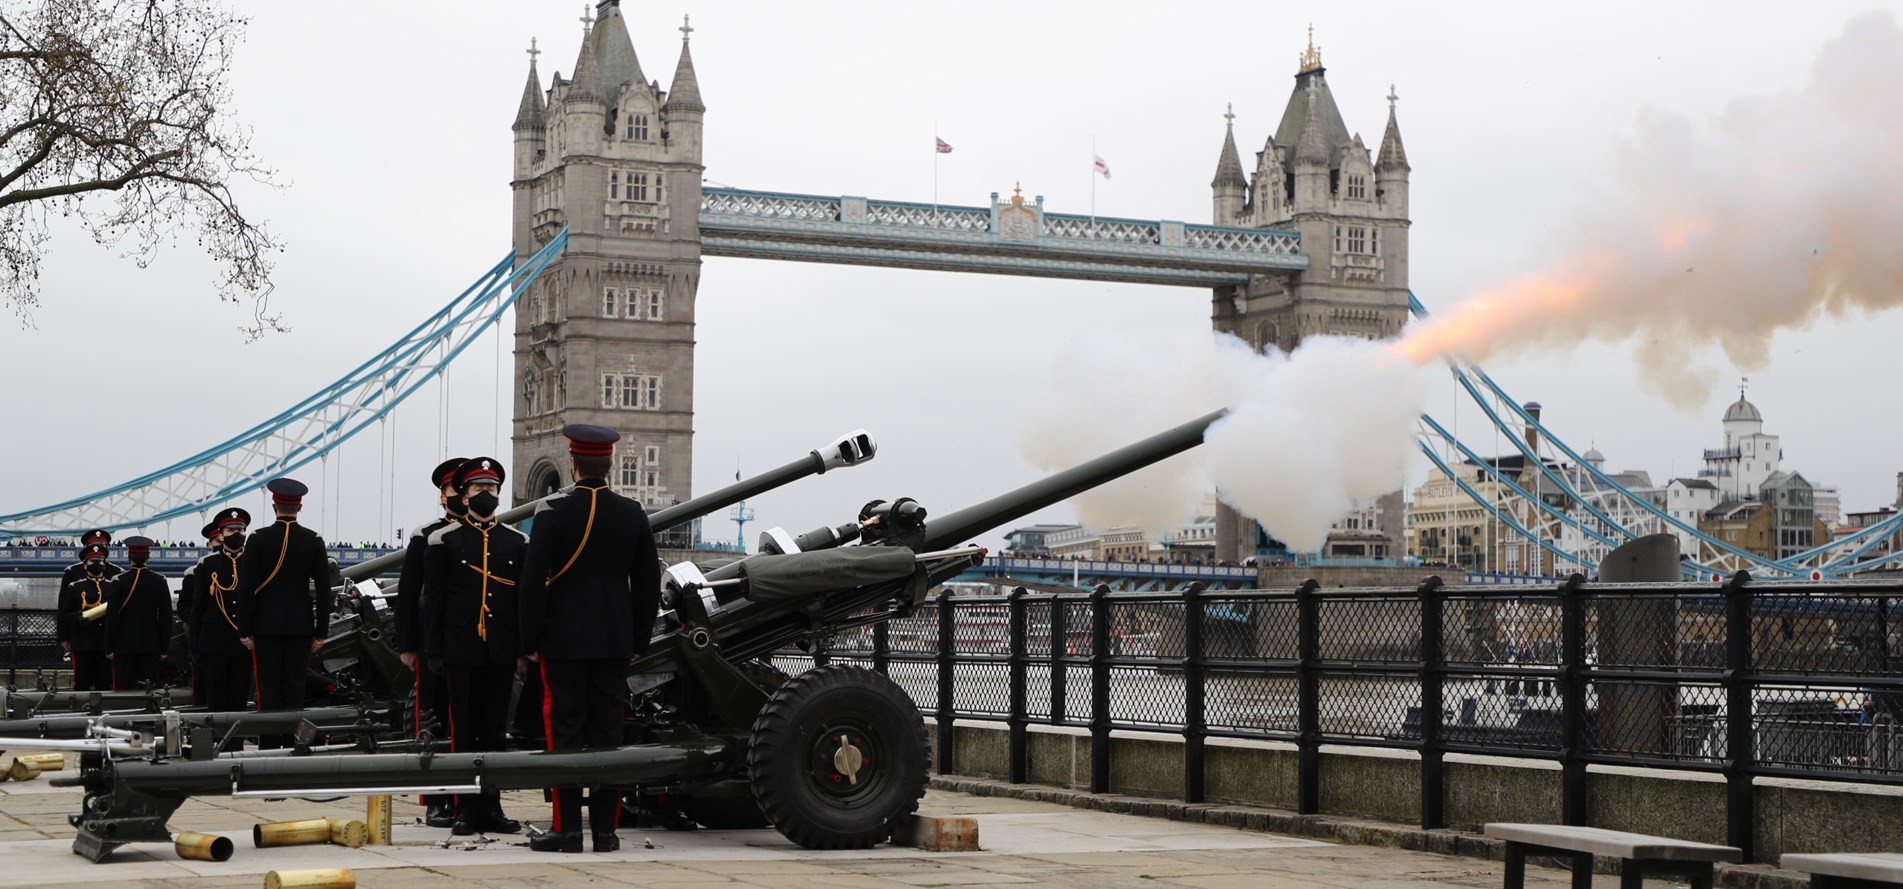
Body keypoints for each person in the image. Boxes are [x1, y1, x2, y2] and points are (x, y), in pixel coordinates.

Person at [517, 424, 660, 853]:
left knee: (563, 732)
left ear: (573, 463)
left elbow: (531, 583)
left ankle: (566, 830)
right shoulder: (632, 513)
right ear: (611, 463)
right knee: (607, 732)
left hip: (562, 640)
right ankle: (605, 831)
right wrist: (638, 638)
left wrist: (530, 638)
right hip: (615, 640)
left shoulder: (551, 512)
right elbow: (648, 583)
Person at [425, 456, 525, 835]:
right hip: (461, 648)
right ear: (464, 496)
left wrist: (522, 650)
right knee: (464, 731)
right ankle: (465, 807)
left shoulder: (516, 541)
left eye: (491, 488)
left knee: (496, 732)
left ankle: (493, 807)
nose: (486, 494)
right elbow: (434, 600)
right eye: (478, 489)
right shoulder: (445, 541)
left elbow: (520, 603)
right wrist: (434, 649)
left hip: (500, 650)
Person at [396, 457, 466, 829]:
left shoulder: (488, 534)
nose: (460, 496)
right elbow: (408, 595)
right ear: (443, 495)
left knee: (474, 725)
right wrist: (407, 644)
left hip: (475, 643)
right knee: (432, 722)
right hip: (432, 644)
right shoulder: (425, 537)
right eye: (454, 489)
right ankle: (437, 799)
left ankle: (474, 797)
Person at [235, 479, 332, 748]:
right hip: (301, 627)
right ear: (299, 506)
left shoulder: (257, 539)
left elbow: (246, 589)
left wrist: (244, 630)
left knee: (267, 691)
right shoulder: (313, 540)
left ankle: (268, 749)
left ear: (274, 505)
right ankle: (291, 746)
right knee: (294, 689)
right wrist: (320, 631)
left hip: (265, 627)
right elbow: (324, 591)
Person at [191, 510, 253, 720]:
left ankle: (235, 748)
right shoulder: (208, 564)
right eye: (231, 530)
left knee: (239, 702)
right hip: (214, 643)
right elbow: (197, 607)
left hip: (244, 644)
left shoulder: (254, 562)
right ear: (221, 534)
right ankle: (216, 748)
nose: (237, 533)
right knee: (216, 704)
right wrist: (195, 646)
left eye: (240, 529)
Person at [103, 536, 172, 689]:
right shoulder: (159, 580)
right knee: (149, 690)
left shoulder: (118, 580)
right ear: (148, 556)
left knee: (123, 690)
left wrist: (109, 647)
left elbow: (111, 617)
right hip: (151, 644)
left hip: (123, 644)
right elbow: (166, 617)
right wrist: (164, 648)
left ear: (129, 556)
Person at [59, 543, 115, 690]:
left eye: (100, 561)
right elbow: (64, 614)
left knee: (105, 684)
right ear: (85, 565)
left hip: (105, 644)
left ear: (104, 565)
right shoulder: (75, 587)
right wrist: (79, 618)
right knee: (82, 684)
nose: (96, 564)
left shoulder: (113, 587)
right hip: (82, 643)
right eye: (92, 561)